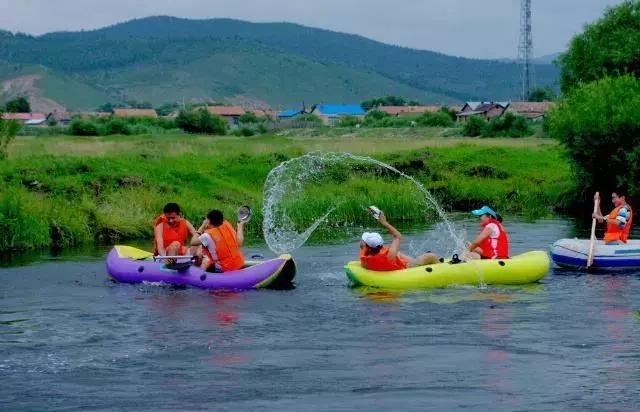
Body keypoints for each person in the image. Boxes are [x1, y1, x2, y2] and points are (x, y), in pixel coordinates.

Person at [359, 212, 439, 271]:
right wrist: (384, 223)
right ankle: (440, 268)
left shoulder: (364, 255)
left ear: (366, 246)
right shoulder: (390, 256)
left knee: (398, 253)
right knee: (430, 256)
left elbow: (362, 243)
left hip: (385, 263)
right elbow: (398, 236)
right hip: (405, 267)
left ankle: (414, 259)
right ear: (380, 245)